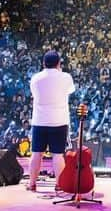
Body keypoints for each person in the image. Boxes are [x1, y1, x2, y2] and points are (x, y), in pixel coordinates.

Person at [26, 50, 75, 192]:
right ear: (59, 63)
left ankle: (32, 184)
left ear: (43, 63)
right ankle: (59, 184)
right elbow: (70, 91)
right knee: (57, 154)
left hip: (39, 121)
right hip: (58, 121)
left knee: (36, 153)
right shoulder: (66, 77)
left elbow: (35, 94)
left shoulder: (36, 78)